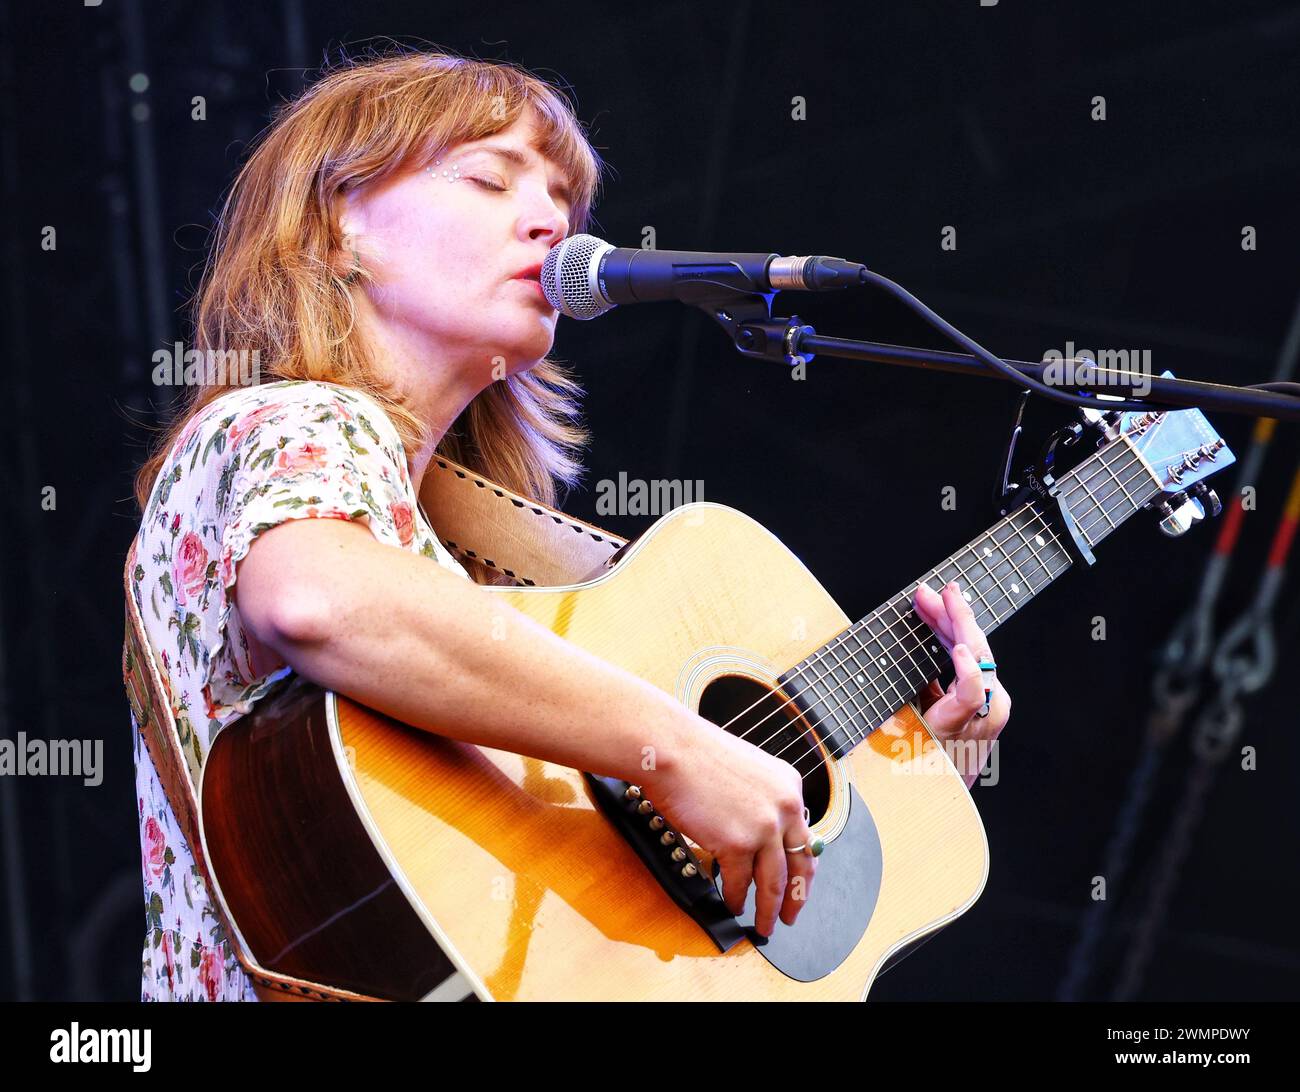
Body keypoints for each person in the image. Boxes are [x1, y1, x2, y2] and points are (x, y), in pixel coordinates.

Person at [128, 47, 1011, 1002]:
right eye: (488, 178)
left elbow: (593, 900)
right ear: (339, 228)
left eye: (561, 195)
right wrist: (675, 750)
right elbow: (316, 597)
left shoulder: (465, 562)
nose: (550, 221)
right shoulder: (284, 419)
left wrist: (903, 772)